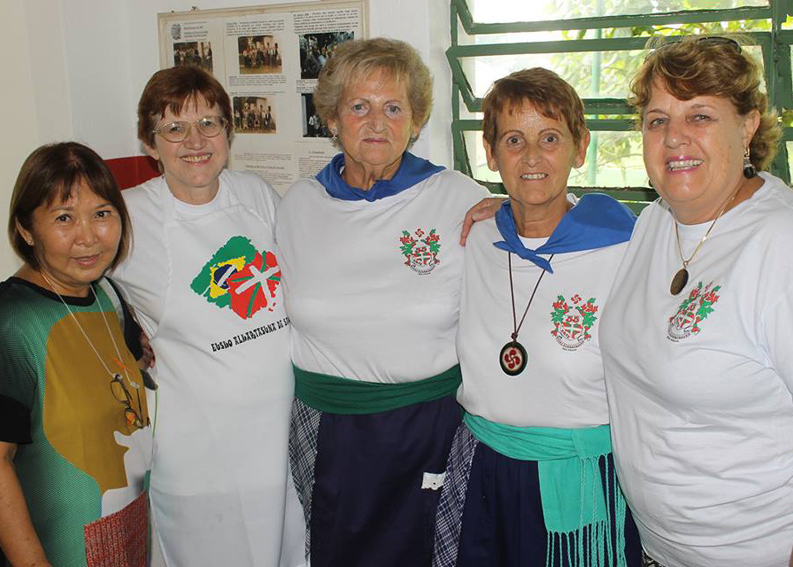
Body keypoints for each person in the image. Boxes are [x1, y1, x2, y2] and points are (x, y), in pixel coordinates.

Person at [600, 36, 793, 566]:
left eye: (700, 116)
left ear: (748, 126)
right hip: (658, 551)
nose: (674, 137)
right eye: (657, 120)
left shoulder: (791, 248)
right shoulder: (655, 221)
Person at [276, 37, 489, 567]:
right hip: (325, 430)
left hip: (429, 428)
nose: (377, 122)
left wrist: (519, 211)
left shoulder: (459, 198)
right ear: (332, 119)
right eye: (359, 106)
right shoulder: (298, 205)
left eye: (393, 108)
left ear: (415, 121)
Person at [432, 68, 641, 567]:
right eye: (513, 140)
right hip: (480, 467)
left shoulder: (625, 249)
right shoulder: (477, 236)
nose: (531, 157)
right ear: (490, 153)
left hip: (577, 474)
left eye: (550, 138)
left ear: (580, 147)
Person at [112, 65, 302, 567]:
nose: (194, 141)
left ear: (228, 133)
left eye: (208, 123)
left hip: (279, 440)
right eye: (174, 128)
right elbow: (69, 269)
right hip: (200, 457)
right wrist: (125, 333)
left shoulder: (256, 194)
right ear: (149, 143)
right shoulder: (129, 217)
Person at [0, 142, 151, 567]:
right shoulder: (10, 323)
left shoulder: (108, 296)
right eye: (64, 218)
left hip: (123, 532)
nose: (88, 237)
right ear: (26, 230)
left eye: (102, 213)